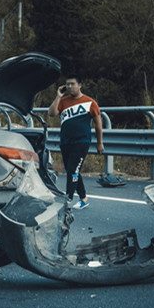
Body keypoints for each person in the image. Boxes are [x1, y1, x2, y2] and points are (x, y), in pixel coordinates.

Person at [48, 74, 104, 210]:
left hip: (82, 141)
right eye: (68, 84)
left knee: (73, 170)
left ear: (80, 85)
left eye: (73, 84)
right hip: (66, 141)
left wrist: (99, 143)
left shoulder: (90, 102)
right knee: (72, 171)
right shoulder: (63, 101)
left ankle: (68, 200)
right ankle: (83, 198)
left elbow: (98, 124)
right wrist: (58, 96)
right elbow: (51, 113)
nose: (70, 87)